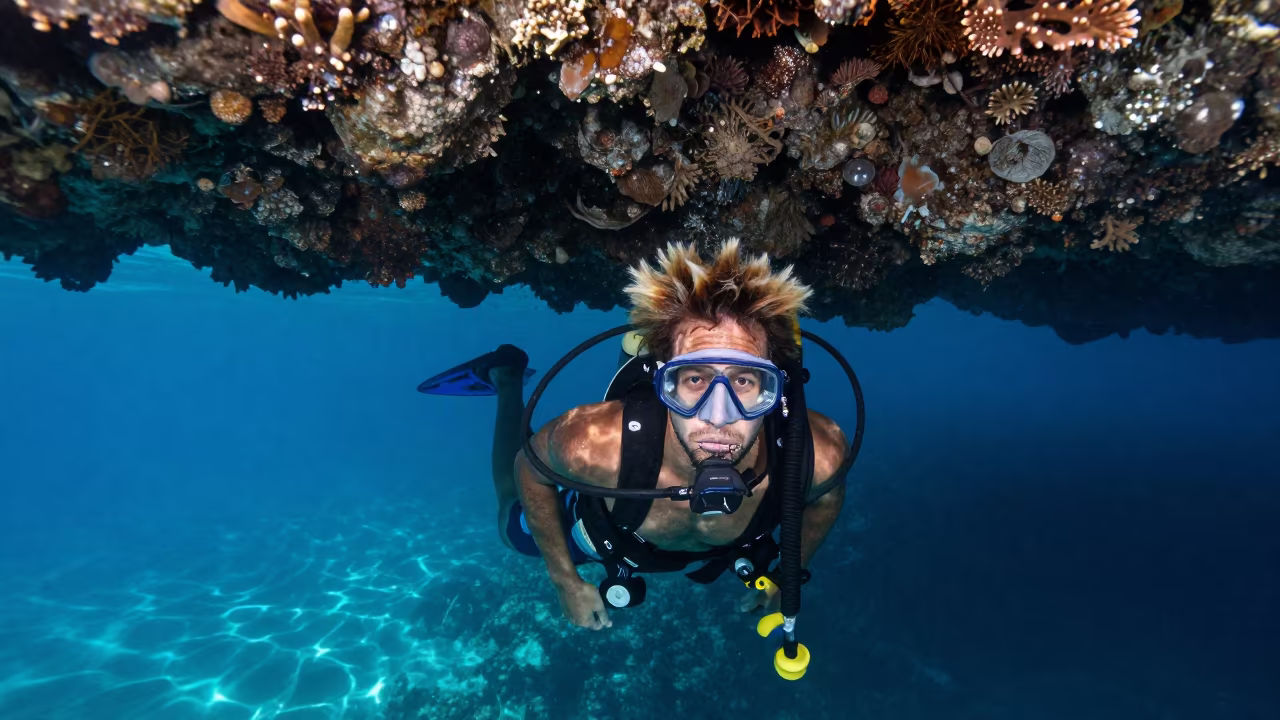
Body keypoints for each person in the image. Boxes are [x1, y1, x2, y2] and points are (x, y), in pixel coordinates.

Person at [419, 240, 849, 631]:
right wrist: (565, 580)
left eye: (745, 382)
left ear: (774, 390)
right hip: (609, 534)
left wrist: (787, 573)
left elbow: (827, 498)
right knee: (509, 525)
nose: (719, 417)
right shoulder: (592, 442)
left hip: (723, 546)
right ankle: (506, 377)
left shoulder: (817, 453)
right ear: (663, 386)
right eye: (694, 380)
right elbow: (529, 470)